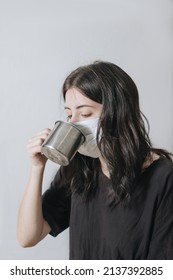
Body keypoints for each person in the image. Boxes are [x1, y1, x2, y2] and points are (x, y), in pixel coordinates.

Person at [17, 61, 173, 260]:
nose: (73, 123)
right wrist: (37, 167)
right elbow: (27, 237)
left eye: (85, 114)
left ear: (118, 112)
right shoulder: (78, 167)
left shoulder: (163, 178)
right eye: (69, 114)